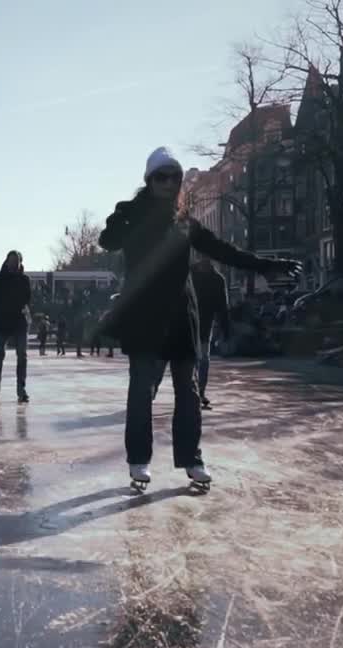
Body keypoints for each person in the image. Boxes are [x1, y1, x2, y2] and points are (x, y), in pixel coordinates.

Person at [98, 146, 301, 493]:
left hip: (180, 317)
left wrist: (269, 264)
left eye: (174, 177)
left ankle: (192, 460)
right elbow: (107, 240)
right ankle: (139, 460)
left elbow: (225, 251)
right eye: (161, 176)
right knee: (141, 391)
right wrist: (124, 213)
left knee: (188, 393)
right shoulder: (133, 216)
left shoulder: (185, 224)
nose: (168, 182)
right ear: (149, 181)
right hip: (145, 318)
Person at [0, 250, 31, 402]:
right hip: (1, 321)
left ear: (20, 263)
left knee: (22, 356)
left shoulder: (24, 280)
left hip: (19, 321)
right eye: (11, 260)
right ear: (6, 261)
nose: (13, 263)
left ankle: (21, 389)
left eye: (16, 261)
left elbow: (27, 298)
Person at [191, 257, 230, 409]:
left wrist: (225, 330)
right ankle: (195, 391)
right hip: (188, 323)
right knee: (194, 360)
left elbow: (222, 307)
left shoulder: (218, 280)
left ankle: (199, 392)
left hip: (205, 325)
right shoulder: (189, 274)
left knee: (203, 360)